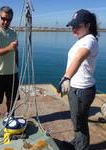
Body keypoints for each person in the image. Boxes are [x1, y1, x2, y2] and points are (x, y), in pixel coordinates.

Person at [58, 9, 99, 150]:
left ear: (88, 25)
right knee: (76, 120)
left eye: (77, 26)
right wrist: (65, 79)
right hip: (75, 88)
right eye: (72, 26)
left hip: (83, 90)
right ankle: (77, 142)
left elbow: (79, 57)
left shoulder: (90, 40)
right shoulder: (81, 39)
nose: (73, 29)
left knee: (80, 123)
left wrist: (66, 77)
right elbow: (72, 63)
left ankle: (82, 147)